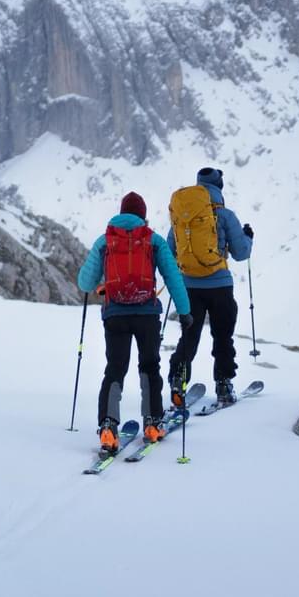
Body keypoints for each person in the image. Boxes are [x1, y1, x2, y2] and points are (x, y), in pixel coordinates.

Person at [78, 191, 191, 453]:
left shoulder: (105, 241)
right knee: (150, 366)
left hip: (115, 314)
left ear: (121, 213)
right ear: (143, 216)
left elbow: (84, 282)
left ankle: (107, 429)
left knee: (115, 369)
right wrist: (185, 312)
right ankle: (152, 424)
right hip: (147, 315)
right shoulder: (153, 240)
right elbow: (173, 277)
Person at [167, 166, 254, 408]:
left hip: (189, 287)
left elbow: (171, 248)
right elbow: (241, 253)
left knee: (189, 336)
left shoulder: (183, 215)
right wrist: (248, 237)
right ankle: (224, 385)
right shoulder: (225, 215)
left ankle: (177, 381)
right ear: (219, 186)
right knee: (223, 336)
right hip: (220, 285)